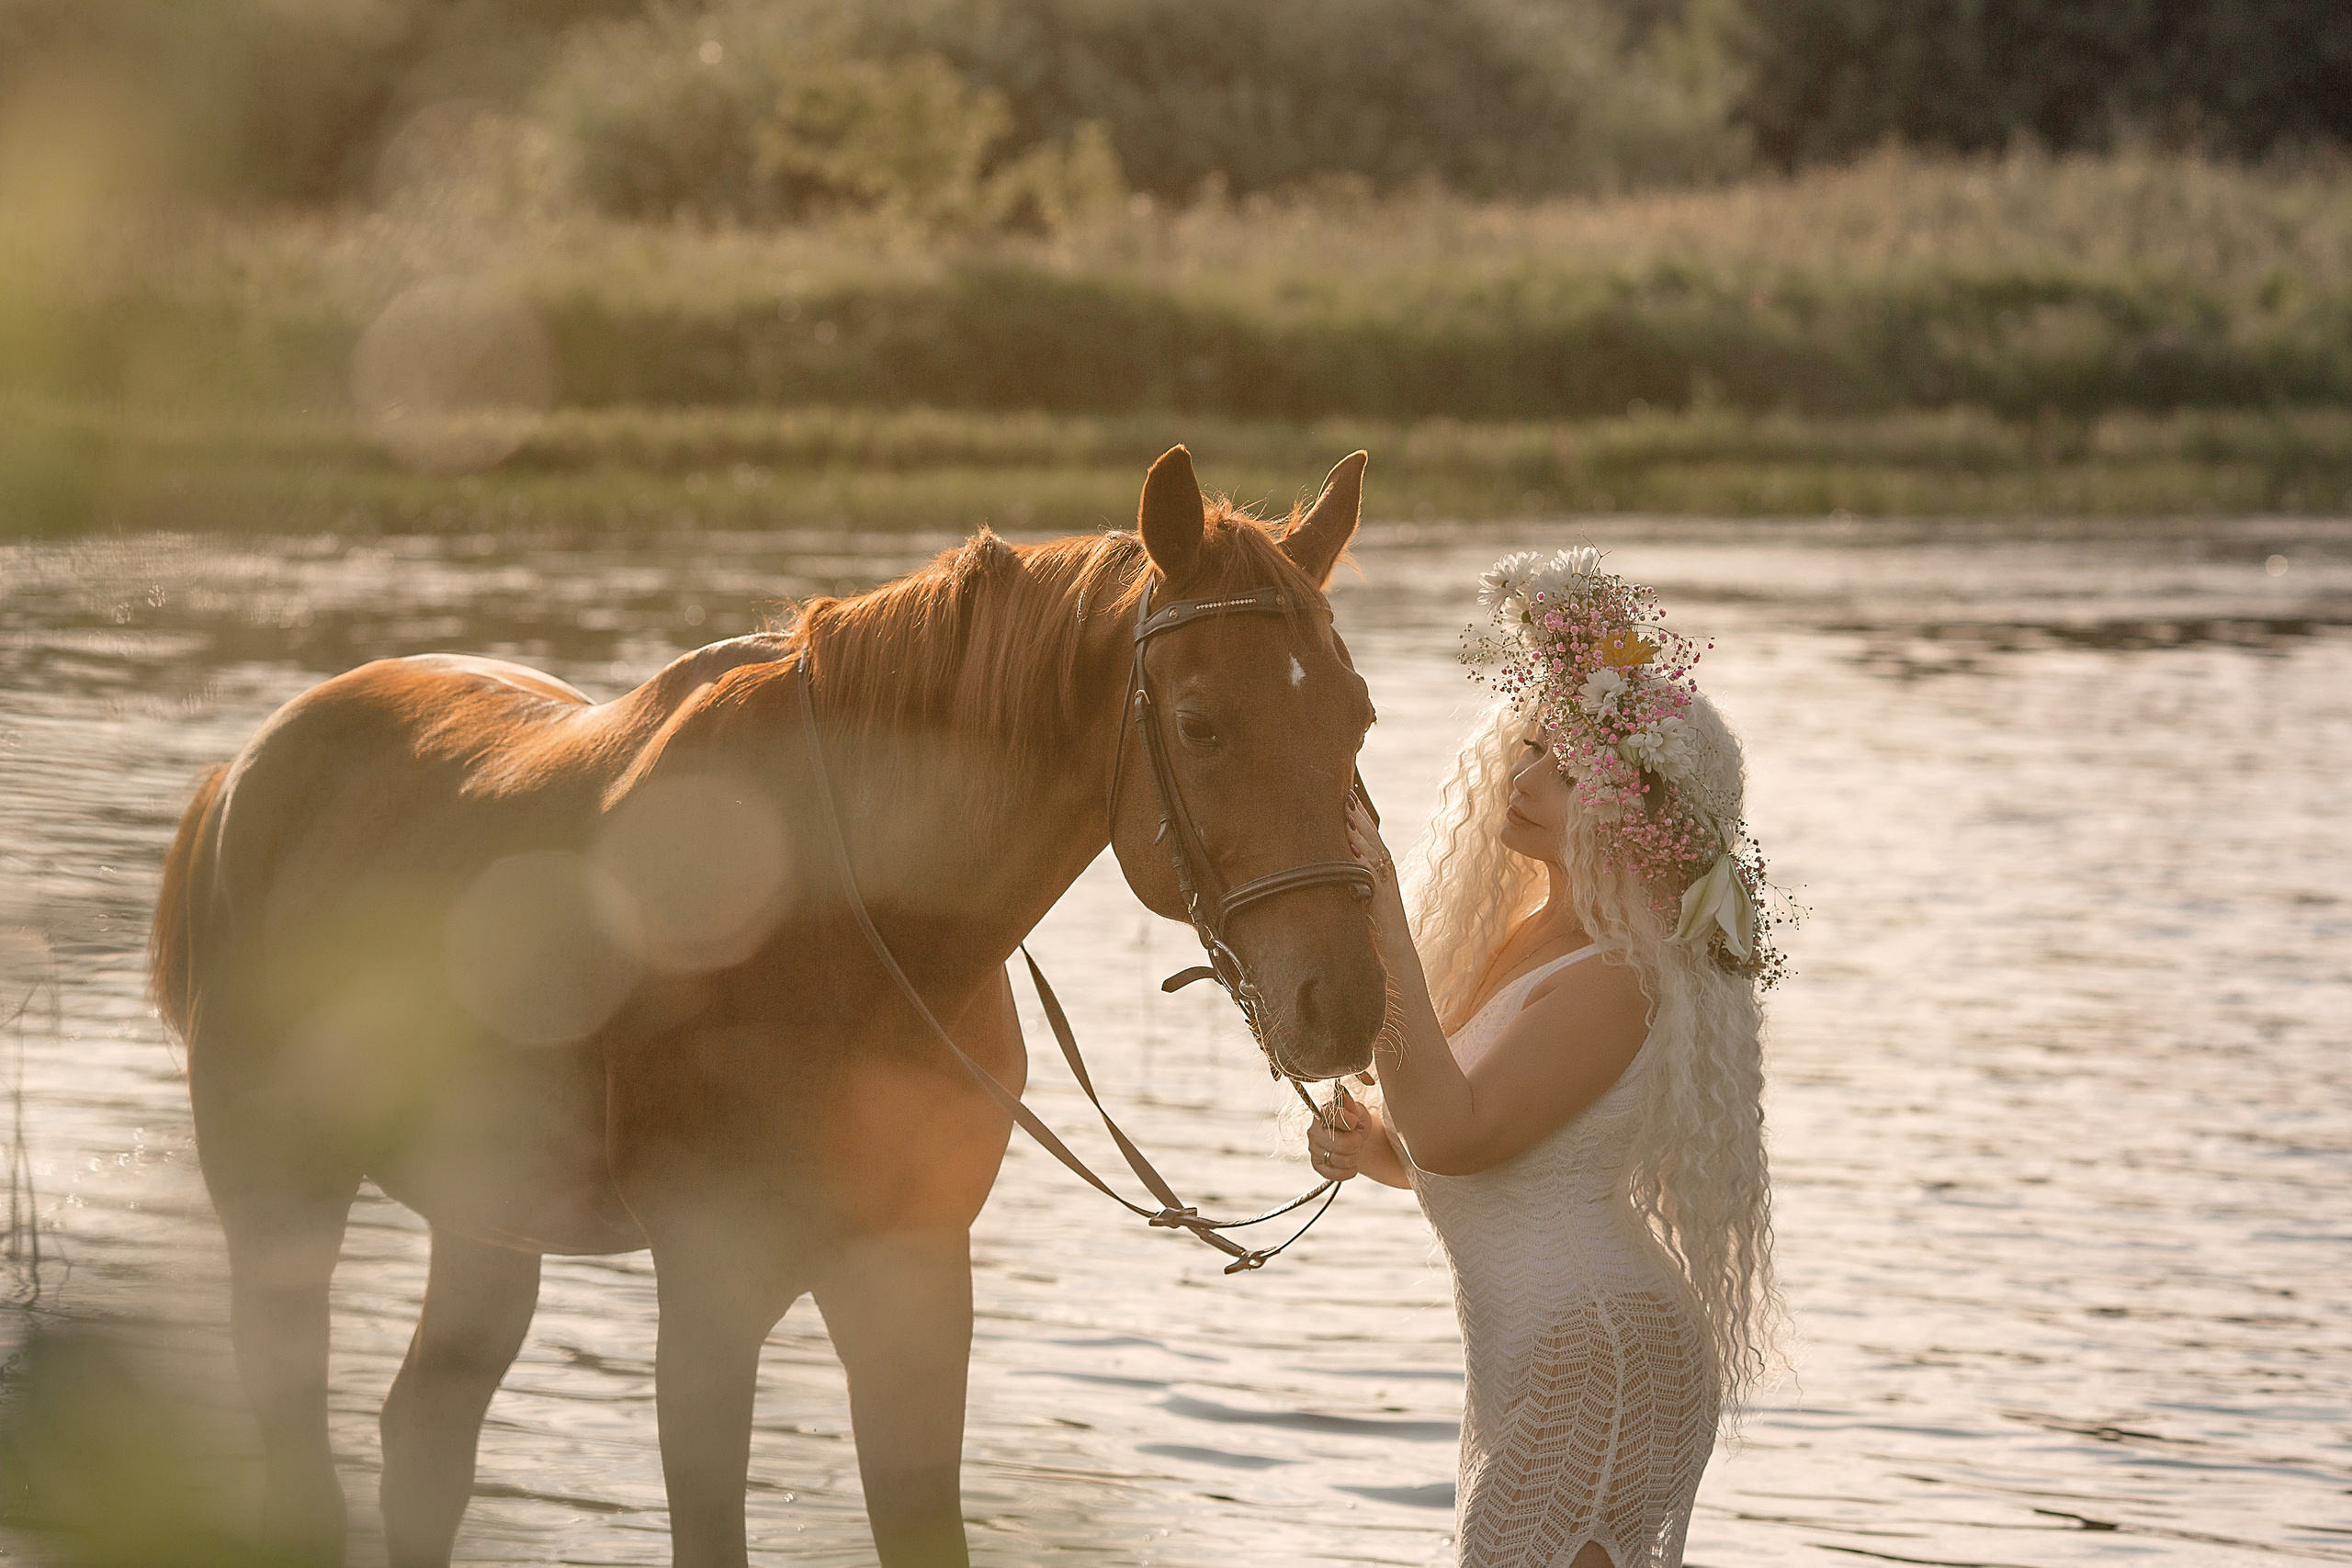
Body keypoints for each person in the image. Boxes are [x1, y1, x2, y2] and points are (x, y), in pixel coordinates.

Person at [1311, 547, 1784, 1568]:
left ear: (1641, 823)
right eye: (1531, 751)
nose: (1522, 779)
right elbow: (1488, 1158)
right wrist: (1373, 1147)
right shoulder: (1530, 935)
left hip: (1597, 1361)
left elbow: (1458, 1134)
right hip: (1542, 1356)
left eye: (1565, 774)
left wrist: (1381, 920)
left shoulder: (1618, 977)